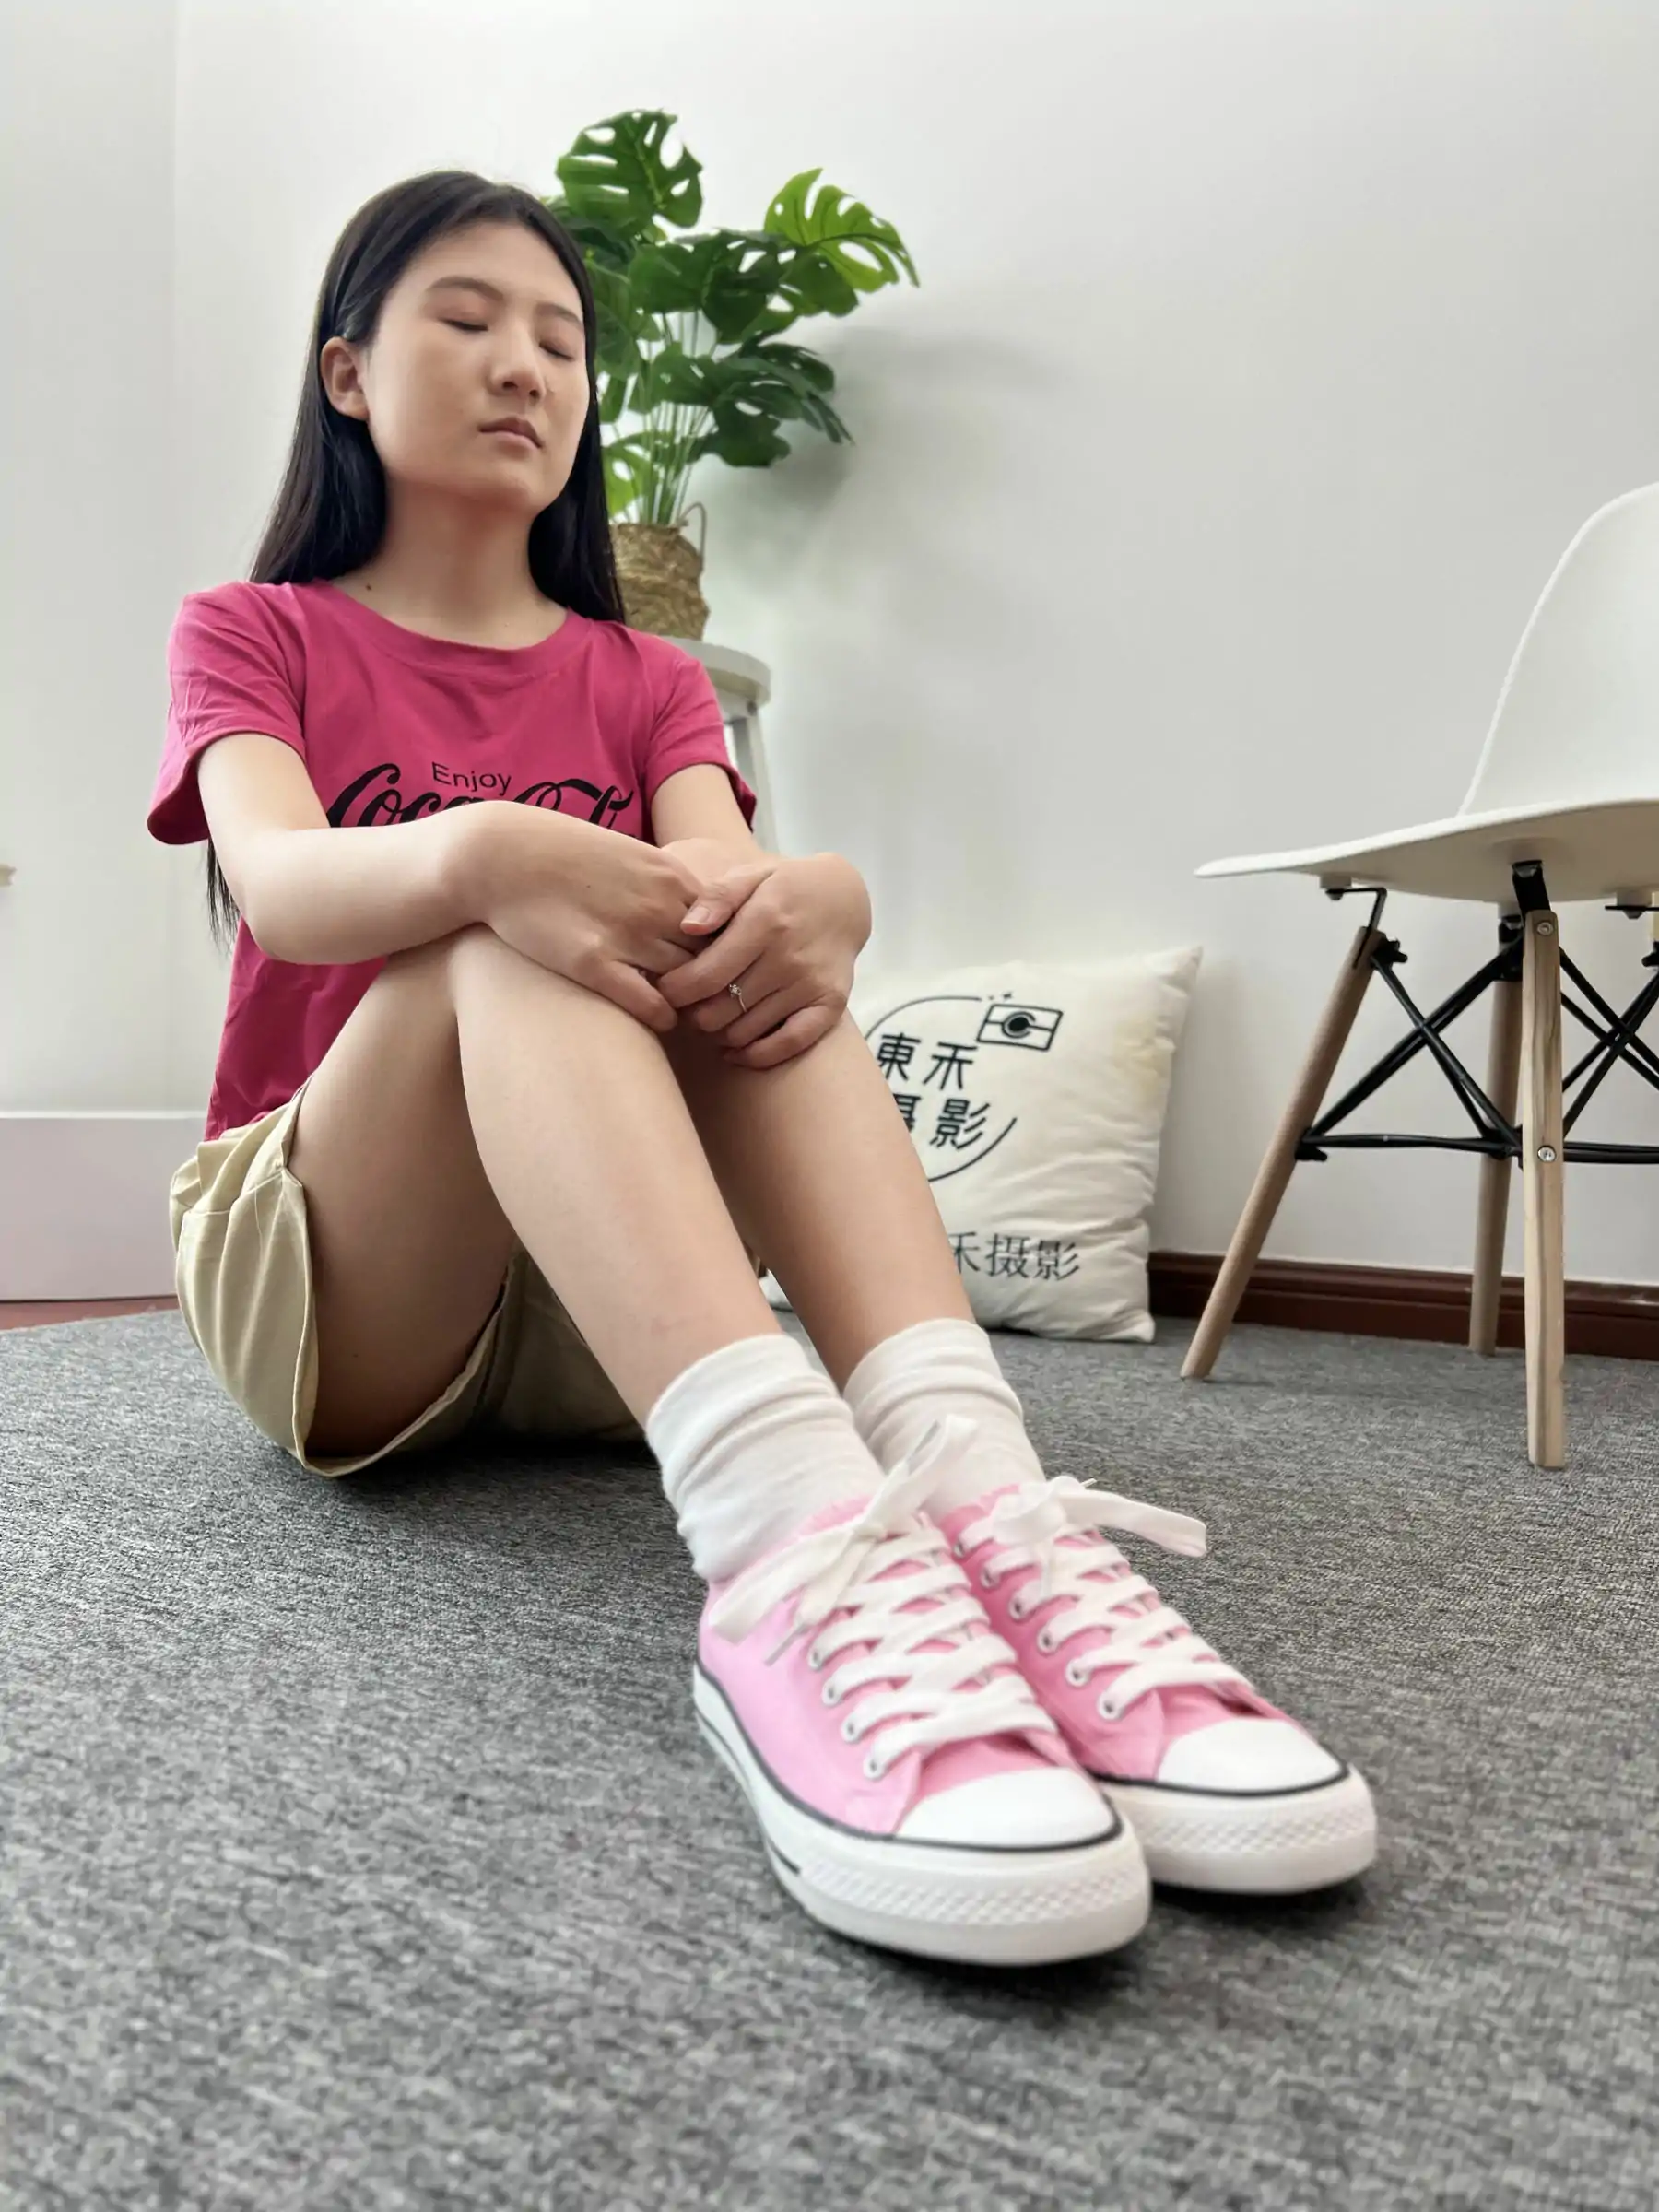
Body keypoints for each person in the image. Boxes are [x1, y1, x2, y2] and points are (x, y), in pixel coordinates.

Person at [150, 170, 1375, 1971]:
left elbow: (726, 917)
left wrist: (828, 903)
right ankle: (785, 1562)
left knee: (738, 944)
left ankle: (975, 1492)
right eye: (467, 321)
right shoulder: (258, 629)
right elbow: (281, 885)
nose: (526, 367)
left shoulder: (645, 679)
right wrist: (487, 852)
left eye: (560, 339)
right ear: (347, 373)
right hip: (342, 1280)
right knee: (511, 920)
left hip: (606, 1307)